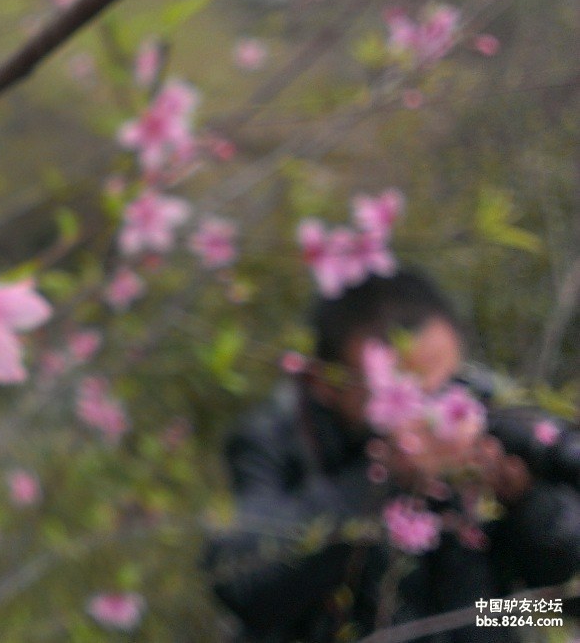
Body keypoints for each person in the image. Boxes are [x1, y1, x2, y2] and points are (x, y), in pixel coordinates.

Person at [205, 269, 580, 641]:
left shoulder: (485, 422)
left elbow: (550, 609)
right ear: (326, 383)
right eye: (406, 394)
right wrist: (382, 479)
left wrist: (530, 506)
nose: (433, 412)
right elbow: (242, 585)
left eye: (445, 385)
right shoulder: (280, 440)